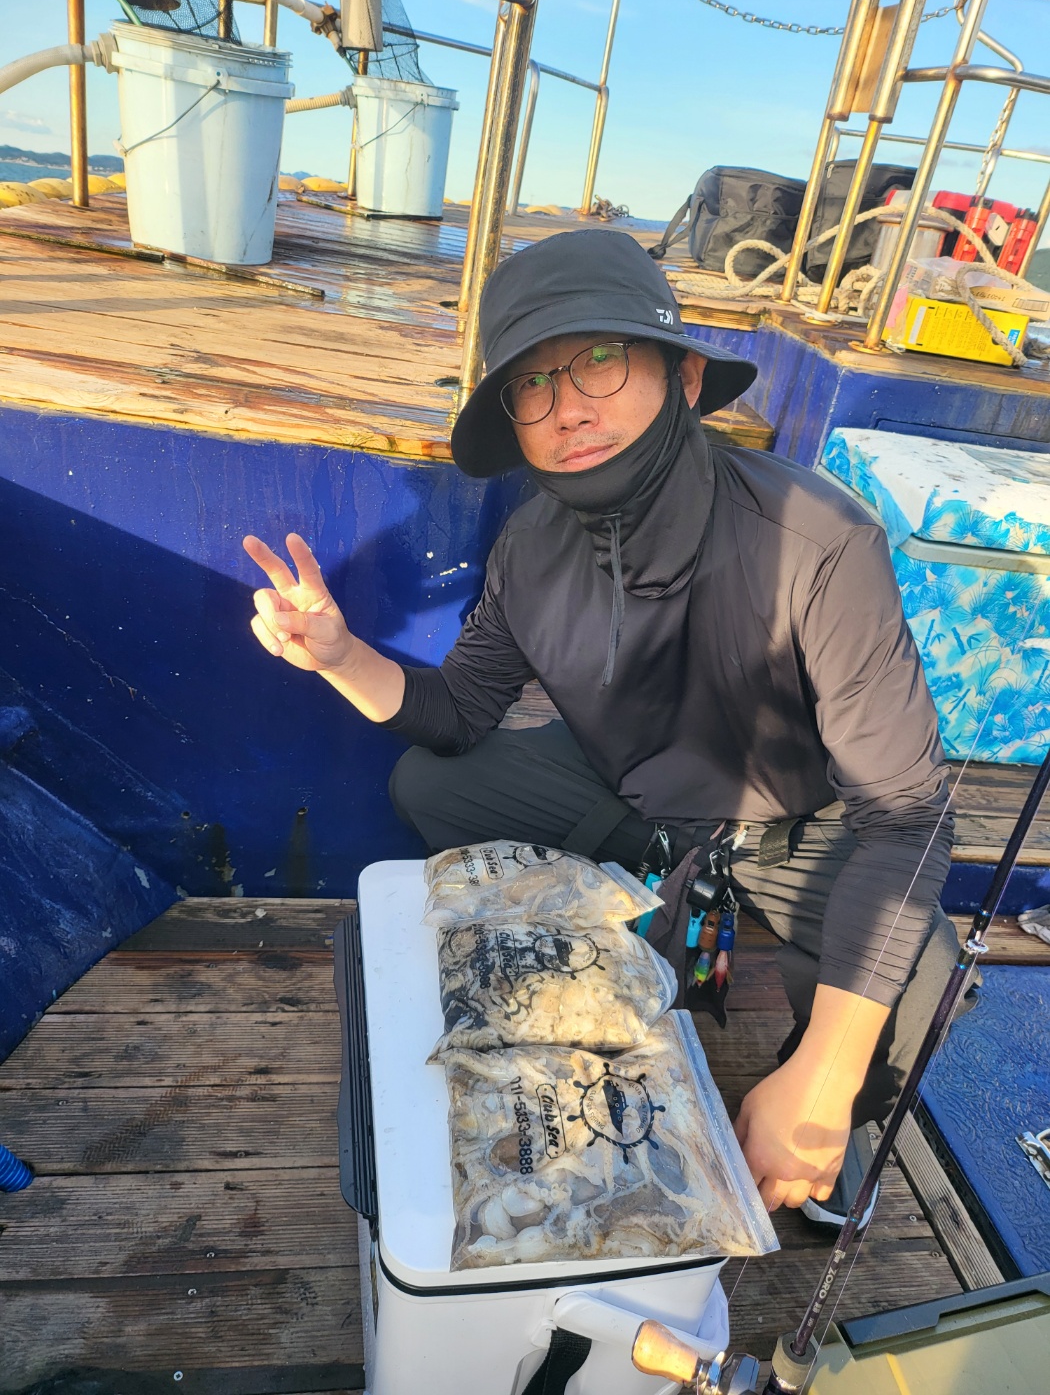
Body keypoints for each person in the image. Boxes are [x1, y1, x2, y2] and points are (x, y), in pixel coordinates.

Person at [244, 229, 956, 1223]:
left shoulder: (818, 542)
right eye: (532, 384)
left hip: (793, 830)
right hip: (640, 804)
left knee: (920, 968)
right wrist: (339, 654)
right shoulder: (530, 544)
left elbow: (911, 815)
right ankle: (620, 923)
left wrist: (828, 1076)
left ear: (686, 376)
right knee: (429, 783)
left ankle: (819, 1106)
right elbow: (459, 712)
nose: (569, 406)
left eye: (602, 360)